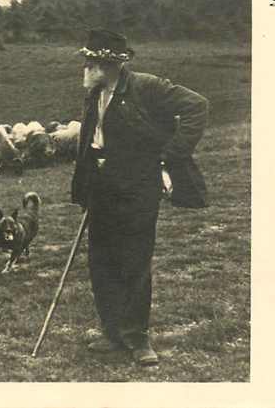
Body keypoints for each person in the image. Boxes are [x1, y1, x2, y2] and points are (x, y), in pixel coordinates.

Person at [71, 29, 209, 366]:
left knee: (134, 259)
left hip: (137, 185)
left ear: (108, 64)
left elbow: (197, 106)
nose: (85, 66)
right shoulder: (95, 91)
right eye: (87, 60)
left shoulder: (146, 86)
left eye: (91, 61)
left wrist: (168, 156)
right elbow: (94, 136)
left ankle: (137, 338)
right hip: (101, 185)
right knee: (102, 260)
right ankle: (112, 332)